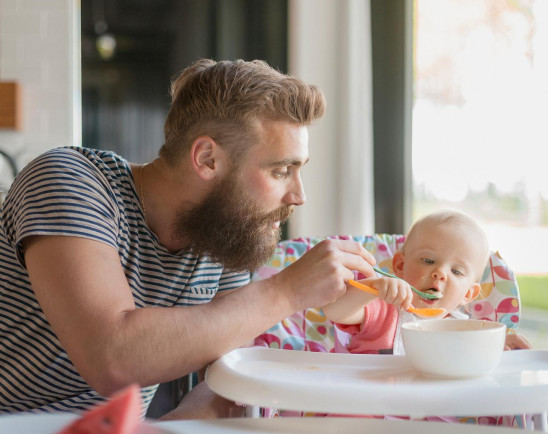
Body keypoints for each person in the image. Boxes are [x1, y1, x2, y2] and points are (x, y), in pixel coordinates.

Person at [0, 59, 377, 415]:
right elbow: (112, 356)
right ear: (207, 159)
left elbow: (228, 375)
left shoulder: (220, 230)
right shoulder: (69, 182)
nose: (299, 196)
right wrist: (287, 291)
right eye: (281, 171)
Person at [323, 209, 531, 358]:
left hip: (425, 414)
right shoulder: (383, 308)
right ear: (400, 265)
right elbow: (335, 310)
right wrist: (374, 288)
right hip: (366, 405)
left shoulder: (465, 332)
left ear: (468, 294)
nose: (440, 273)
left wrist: (495, 345)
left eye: (456, 271)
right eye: (429, 261)